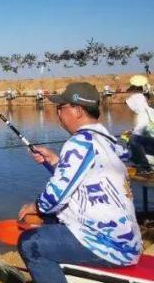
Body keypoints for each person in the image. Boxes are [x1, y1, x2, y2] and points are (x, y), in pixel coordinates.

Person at [17, 82, 142, 283]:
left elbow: (54, 198)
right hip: (126, 242)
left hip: (109, 245)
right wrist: (55, 161)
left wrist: (35, 206)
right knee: (49, 222)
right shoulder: (107, 140)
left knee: (30, 244)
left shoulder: (80, 143)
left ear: (77, 110)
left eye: (61, 108)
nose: (58, 114)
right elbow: (87, 179)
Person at [124, 93, 154, 174]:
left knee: (133, 139)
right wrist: (133, 131)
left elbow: (138, 134)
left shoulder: (142, 115)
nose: (131, 109)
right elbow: (147, 128)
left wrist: (131, 134)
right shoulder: (150, 111)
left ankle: (146, 168)